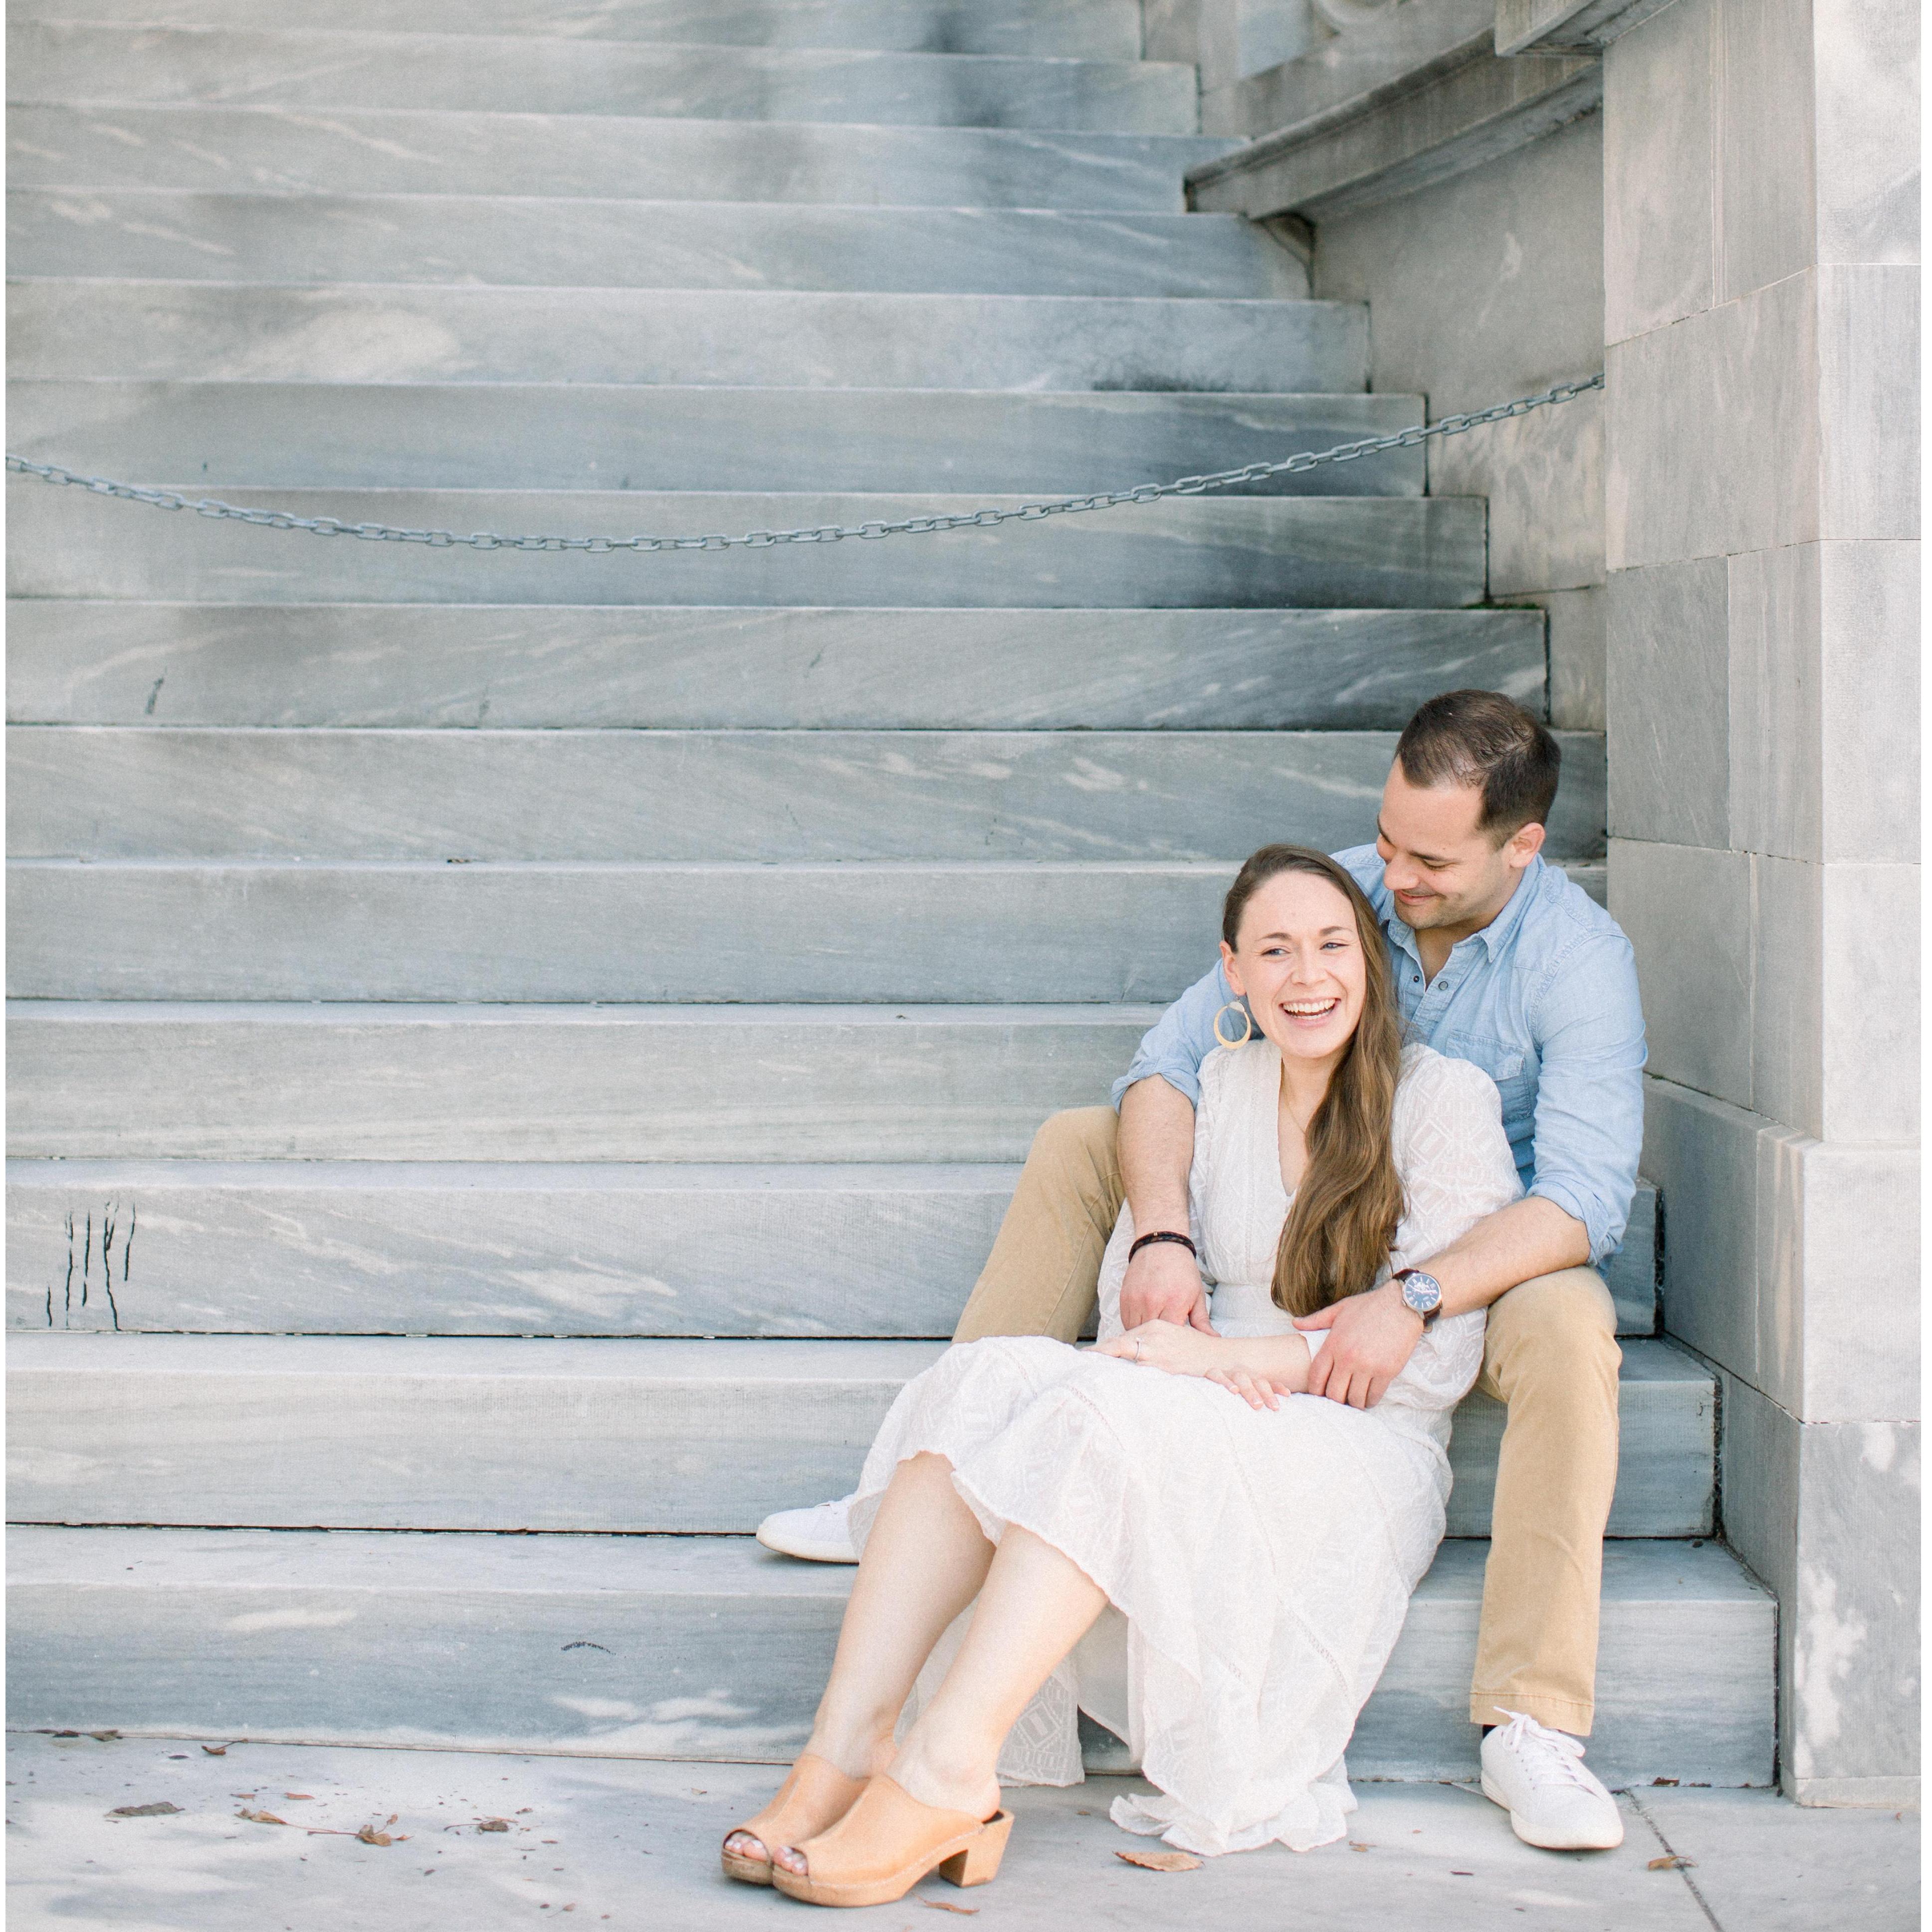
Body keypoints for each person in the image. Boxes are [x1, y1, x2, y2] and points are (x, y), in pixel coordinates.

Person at [758, 690, 1647, 1854]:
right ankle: (955, 1470)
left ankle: (1531, 1717)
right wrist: (1165, 1235)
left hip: (1483, 1239)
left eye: (1428, 861)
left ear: (1519, 844)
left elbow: (1582, 1196)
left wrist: (1413, 1291)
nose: (1392, 877)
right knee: (1083, 1140)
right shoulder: (1334, 896)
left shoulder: (1573, 963)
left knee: (1570, 1321)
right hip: (1290, 1170)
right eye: (1385, 840)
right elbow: (1165, 1064)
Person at [723, 846, 1522, 1904]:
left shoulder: (1440, 1099)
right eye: (1274, 951)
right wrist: (1189, 1353)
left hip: (1354, 1443)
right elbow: (1132, 1301)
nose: (1306, 976)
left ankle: (948, 1771)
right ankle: (846, 1746)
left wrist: (1227, 1361)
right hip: (1196, 1388)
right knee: (982, 1379)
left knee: (1102, 1421)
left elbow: (1433, 1358)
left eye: (1332, 945)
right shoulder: (1216, 1090)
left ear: (1368, 963)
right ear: (1230, 971)